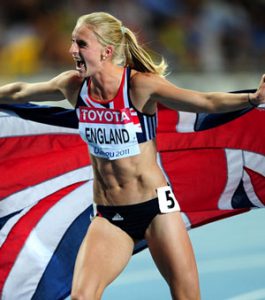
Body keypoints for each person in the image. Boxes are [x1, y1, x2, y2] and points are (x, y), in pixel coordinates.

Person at [0, 11, 264, 300]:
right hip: (110, 214)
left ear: (106, 51)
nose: (72, 50)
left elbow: (205, 101)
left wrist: (251, 99)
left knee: (187, 296)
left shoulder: (140, 86)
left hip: (157, 209)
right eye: (73, 42)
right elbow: (22, 90)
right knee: (81, 297)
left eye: (81, 44)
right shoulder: (74, 86)